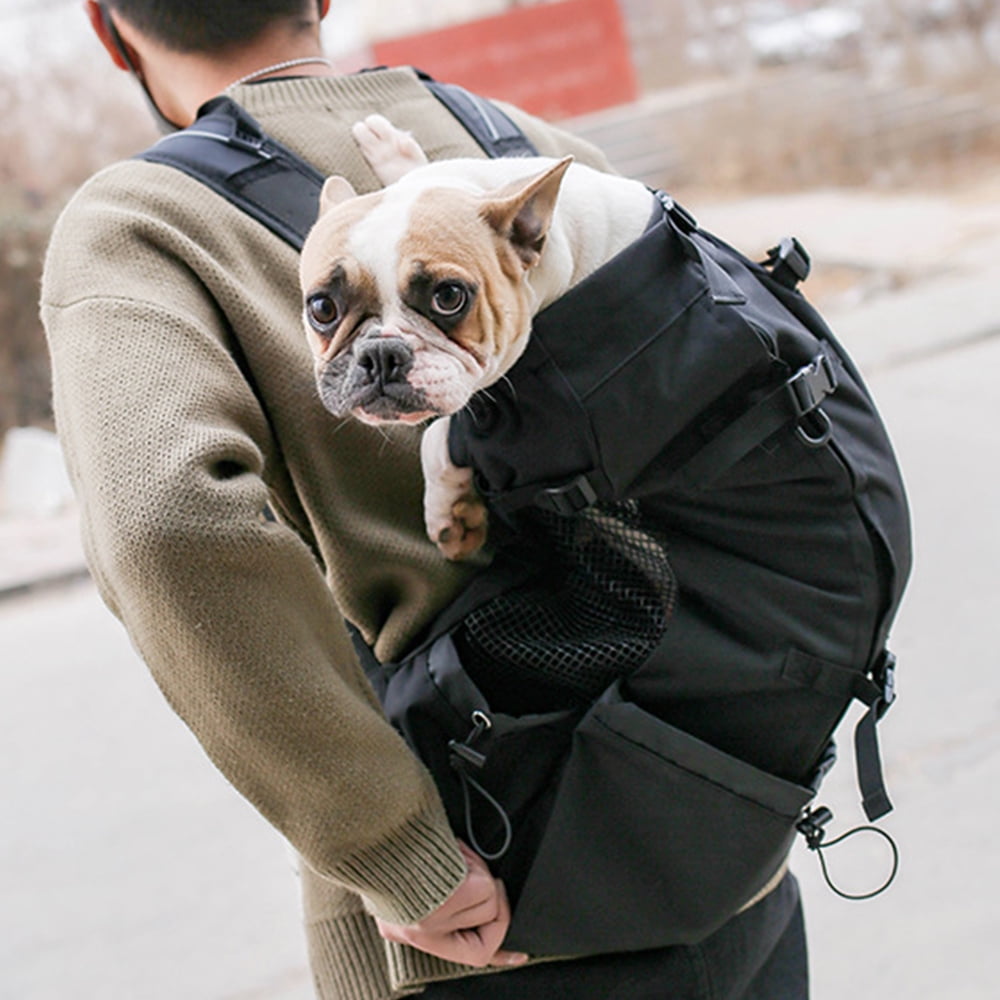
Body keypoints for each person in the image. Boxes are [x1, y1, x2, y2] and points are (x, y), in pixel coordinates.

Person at [41, 2, 809, 998]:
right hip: (724, 842)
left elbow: (167, 521)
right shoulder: (529, 153)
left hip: (480, 916)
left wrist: (392, 846)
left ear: (109, 29)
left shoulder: (139, 225)